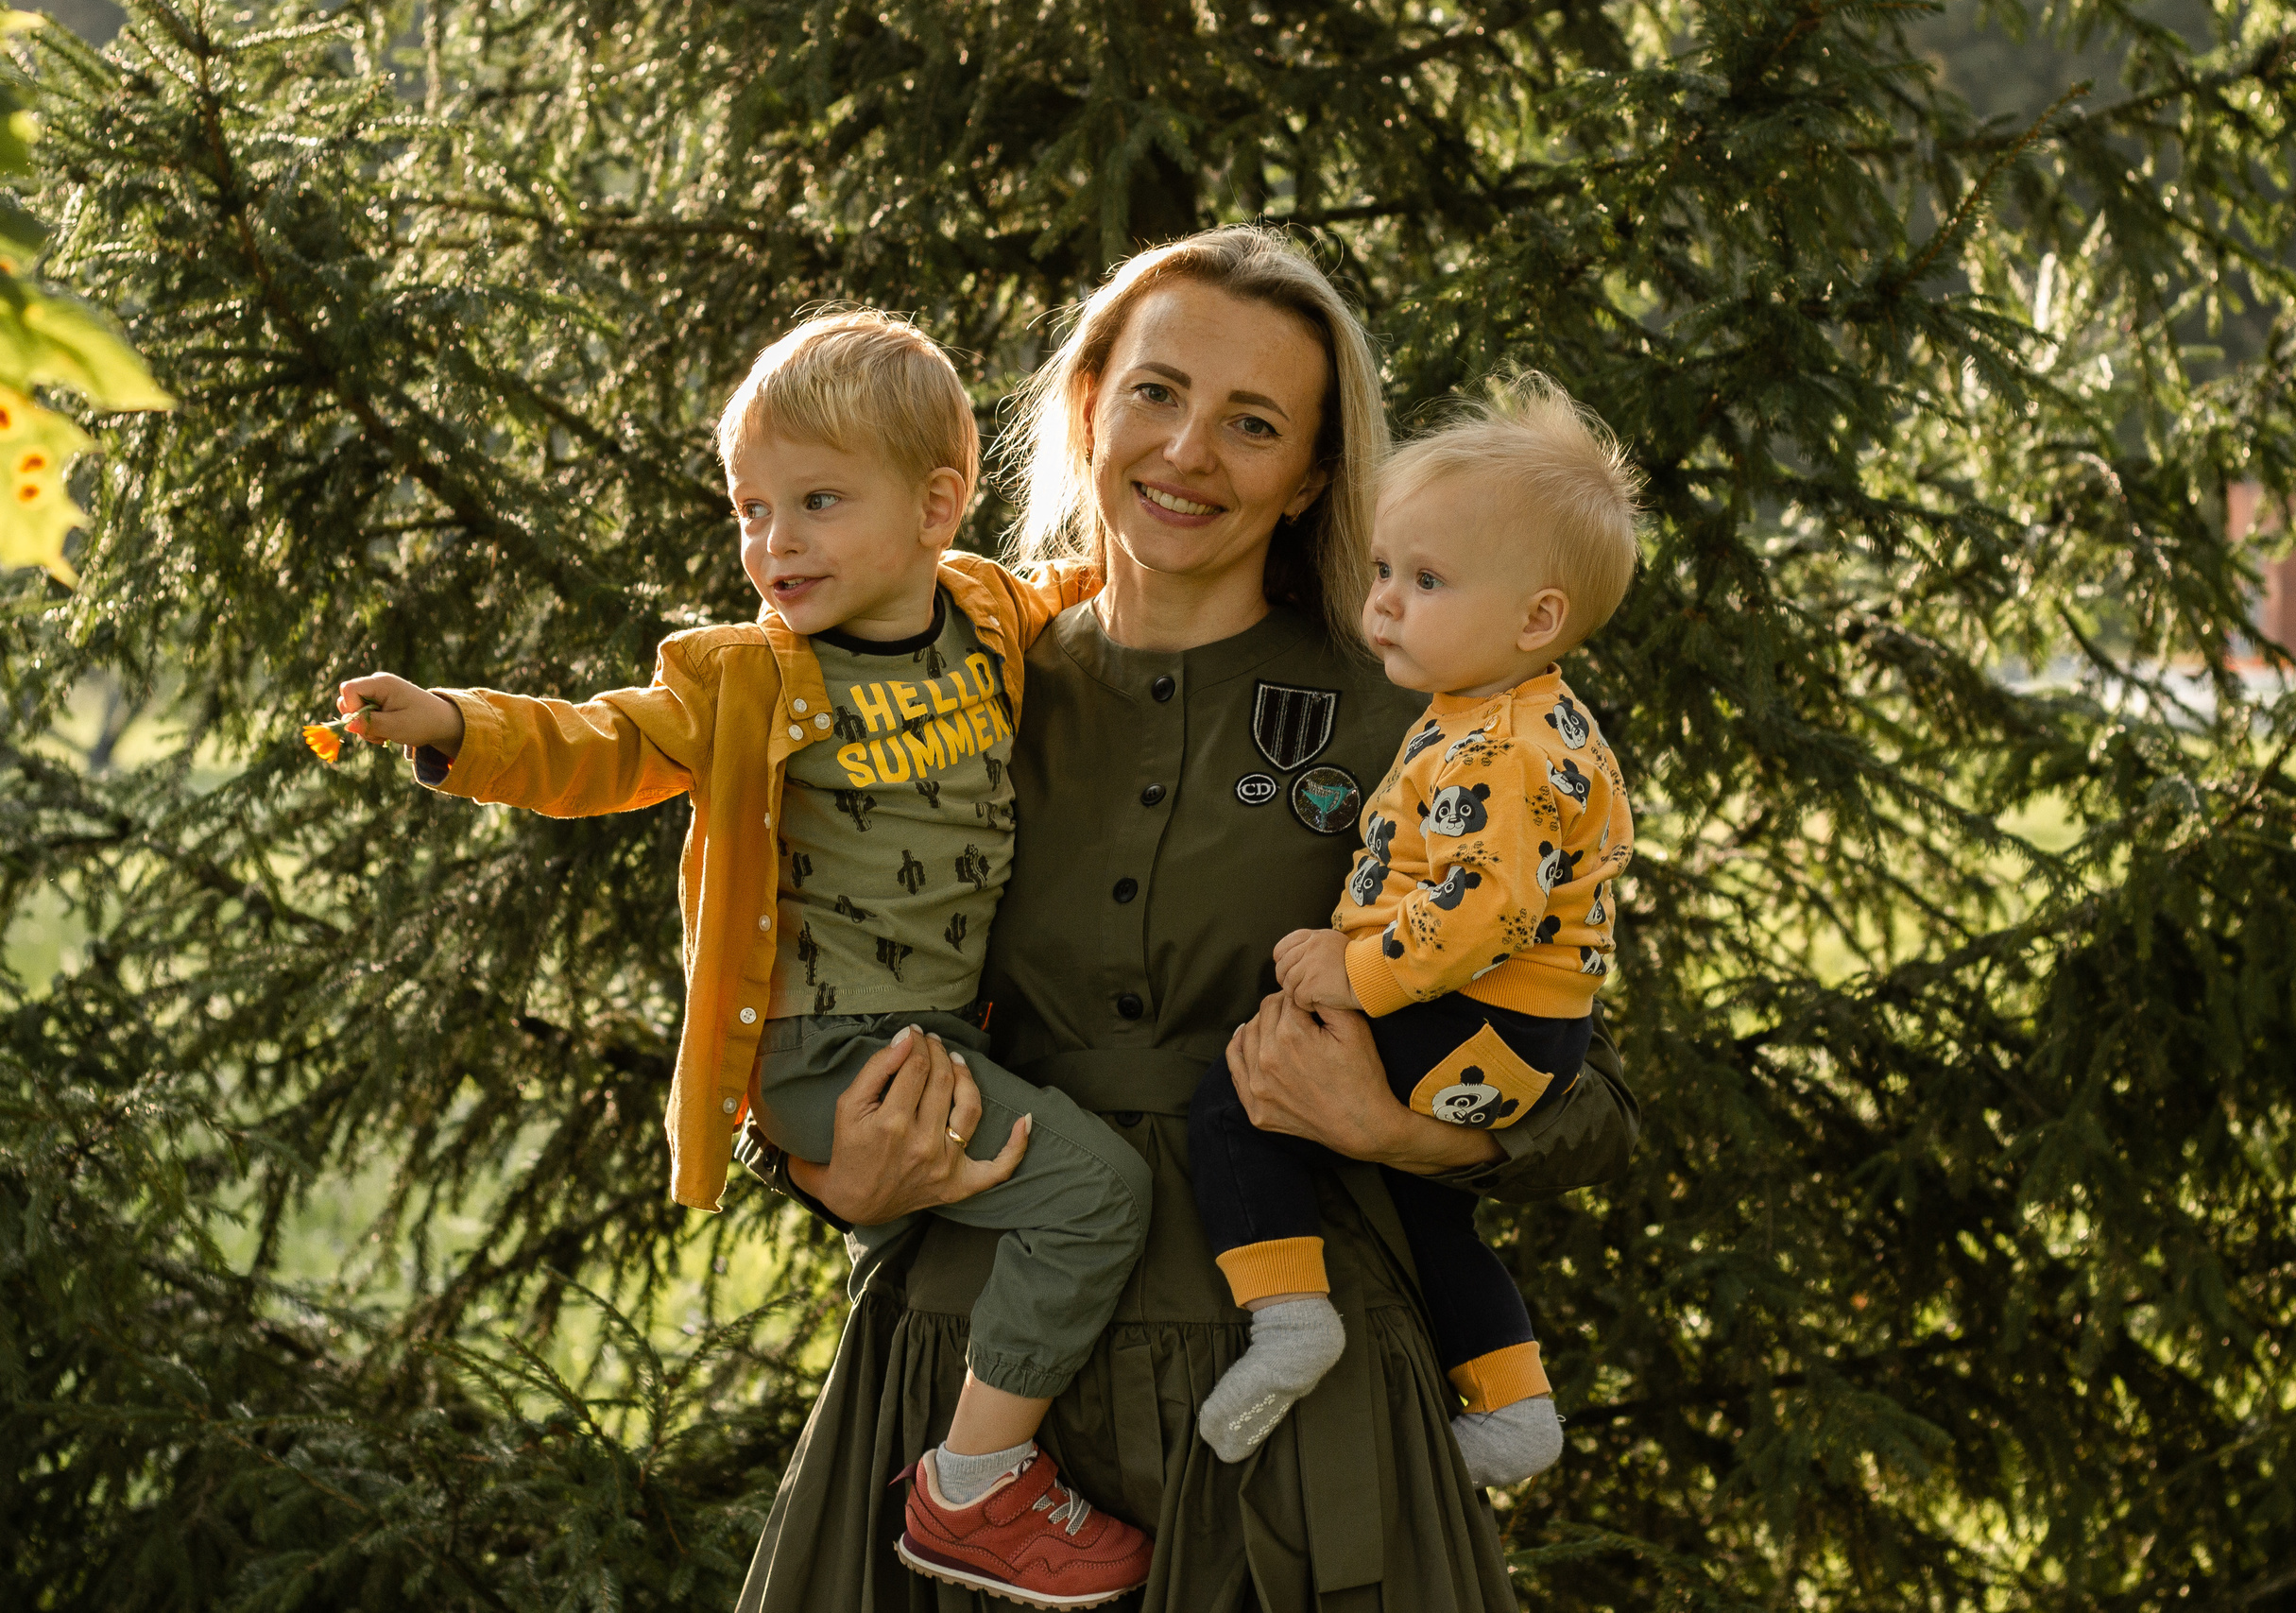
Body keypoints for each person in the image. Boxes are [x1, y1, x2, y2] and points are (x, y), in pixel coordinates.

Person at [738, 228, 1643, 1613]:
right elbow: (803, 976)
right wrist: (823, 1170)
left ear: (1315, 476)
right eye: (1157, 393)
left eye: (1256, 421)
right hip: (967, 1391)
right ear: (1090, 403)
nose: (1190, 451)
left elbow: (1586, 1099)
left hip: (1295, 1423)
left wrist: (1397, 1127)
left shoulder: (1427, 711)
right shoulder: (948, 685)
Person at [332, 310, 1159, 1609]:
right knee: (1098, 1194)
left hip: (949, 1034)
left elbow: (1093, 585)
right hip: (828, 1051)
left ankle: (911, 1481)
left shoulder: (991, 611)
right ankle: (974, 1479)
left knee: (912, 1274)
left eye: (818, 502)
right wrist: (453, 723)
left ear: (939, 503)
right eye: (751, 507)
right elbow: (602, 742)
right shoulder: (745, 677)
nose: (774, 542)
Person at [1187, 377, 1641, 1489]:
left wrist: (1355, 975)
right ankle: (1514, 1403)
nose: (1383, 602)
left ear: (1536, 618)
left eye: (1426, 580)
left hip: (1479, 1013)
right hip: (1516, 1027)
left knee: (1244, 1091)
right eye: (1384, 570)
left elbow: (1483, 909)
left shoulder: (1507, 748)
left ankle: (1290, 1318)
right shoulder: (1498, 713)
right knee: (1430, 1216)